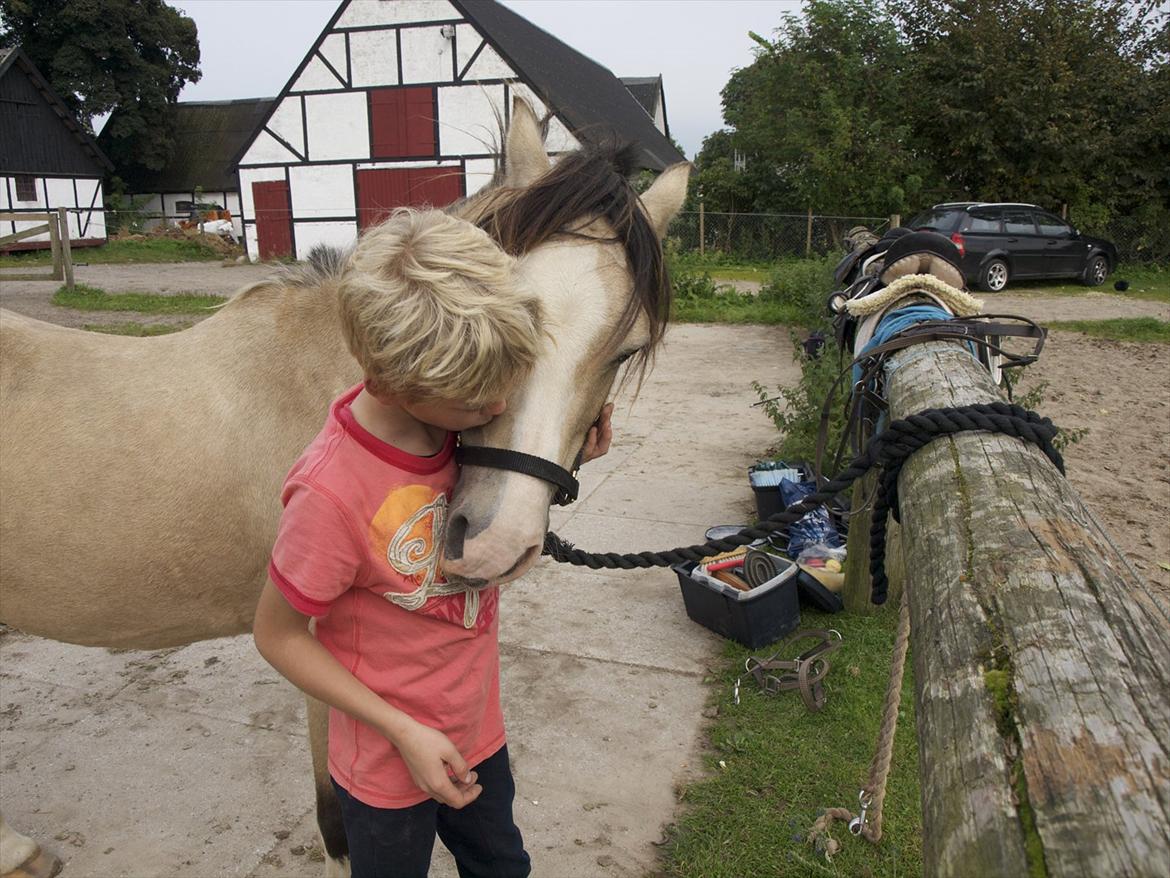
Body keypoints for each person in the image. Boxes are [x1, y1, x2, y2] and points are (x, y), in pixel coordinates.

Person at [253, 208, 612, 878]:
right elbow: (278, 635)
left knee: (502, 865)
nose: (496, 410)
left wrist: (566, 457)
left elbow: (500, 480)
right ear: (390, 385)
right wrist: (402, 731)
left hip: (477, 730)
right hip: (386, 763)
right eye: (478, 402)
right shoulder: (330, 494)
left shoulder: (450, 421)